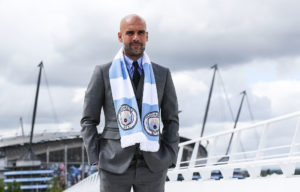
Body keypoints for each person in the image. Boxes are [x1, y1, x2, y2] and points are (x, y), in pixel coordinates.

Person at [81, 14, 179, 192]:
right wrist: (95, 157)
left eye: (141, 33)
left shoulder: (162, 74)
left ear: (147, 36)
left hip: (153, 165)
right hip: (113, 165)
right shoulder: (103, 72)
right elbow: (88, 120)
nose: (136, 38)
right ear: (120, 36)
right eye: (130, 33)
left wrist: (170, 155)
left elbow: (171, 119)